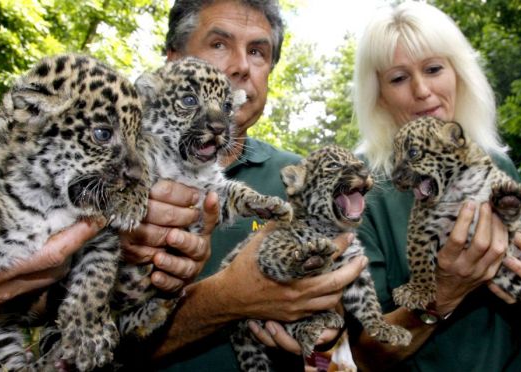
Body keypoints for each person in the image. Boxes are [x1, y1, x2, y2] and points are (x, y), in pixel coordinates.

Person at [118, 1, 367, 370]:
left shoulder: (304, 180)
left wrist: (324, 319)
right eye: (219, 44)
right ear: (172, 61)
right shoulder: (108, 166)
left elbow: (347, 342)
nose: (241, 66)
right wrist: (227, 300)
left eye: (257, 51)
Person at [348, 2, 521, 370]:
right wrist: (443, 292)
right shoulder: (361, 190)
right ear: (379, 95)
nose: (422, 90)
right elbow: (365, 354)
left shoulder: (497, 165)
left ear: (459, 73)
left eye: (434, 69)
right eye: (398, 78)